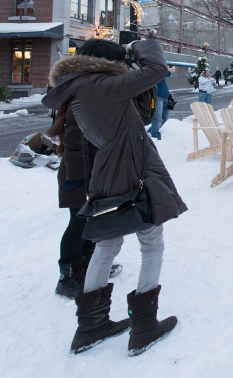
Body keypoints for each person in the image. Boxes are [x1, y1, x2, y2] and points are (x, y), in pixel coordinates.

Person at [42, 38, 187, 356]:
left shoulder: (79, 86)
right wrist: (141, 44)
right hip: (131, 171)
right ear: (105, 64)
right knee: (152, 243)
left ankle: (91, 326)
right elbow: (158, 68)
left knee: (106, 246)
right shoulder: (103, 85)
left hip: (107, 173)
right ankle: (145, 326)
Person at [47, 105, 122, 299]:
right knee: (78, 221)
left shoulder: (89, 97)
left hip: (91, 171)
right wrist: (79, 178)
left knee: (90, 219)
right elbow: (74, 142)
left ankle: (86, 264)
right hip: (78, 175)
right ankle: (68, 278)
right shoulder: (80, 101)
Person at [147, 67, 174, 140]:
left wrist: (169, 95)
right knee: (158, 118)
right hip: (157, 97)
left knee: (165, 117)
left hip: (165, 96)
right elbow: (158, 77)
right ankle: (155, 134)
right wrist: (168, 71)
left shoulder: (161, 72)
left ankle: (152, 129)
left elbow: (164, 85)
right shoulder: (154, 71)